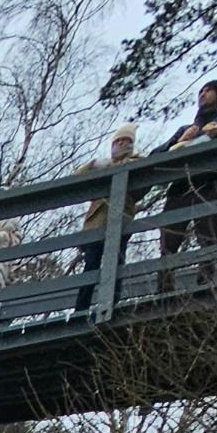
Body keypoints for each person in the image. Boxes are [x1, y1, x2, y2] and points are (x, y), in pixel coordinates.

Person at [157, 78, 217, 293]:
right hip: (180, 186)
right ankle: (164, 289)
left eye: (208, 91)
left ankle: (206, 285)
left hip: (208, 182)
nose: (203, 94)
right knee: (168, 241)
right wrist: (177, 142)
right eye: (201, 91)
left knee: (208, 236)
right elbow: (157, 155)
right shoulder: (185, 128)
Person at [72, 126, 139, 313]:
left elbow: (139, 187)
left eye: (126, 140)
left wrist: (110, 167)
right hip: (96, 222)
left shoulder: (136, 161)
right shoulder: (102, 165)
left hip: (120, 221)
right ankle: (81, 308)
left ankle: (112, 304)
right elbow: (77, 178)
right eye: (118, 141)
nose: (122, 144)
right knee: (91, 265)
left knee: (116, 263)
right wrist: (93, 164)